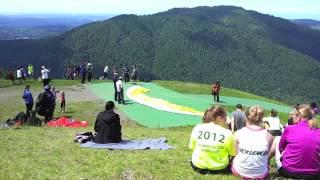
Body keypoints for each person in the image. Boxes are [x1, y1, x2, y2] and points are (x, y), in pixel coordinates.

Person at [189, 106, 236, 174]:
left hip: (197, 166)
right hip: (219, 169)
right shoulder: (228, 133)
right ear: (219, 118)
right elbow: (232, 153)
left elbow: (192, 147)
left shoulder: (198, 127)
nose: (226, 120)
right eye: (225, 118)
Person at [278, 104, 320, 179]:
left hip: (289, 171)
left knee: (276, 139)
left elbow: (281, 148)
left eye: (293, 114)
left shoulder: (289, 128)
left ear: (299, 116)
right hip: (313, 174)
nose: (291, 116)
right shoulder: (318, 131)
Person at [232, 106, 274, 179]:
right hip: (261, 174)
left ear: (246, 118)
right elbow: (266, 155)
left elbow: (237, 153)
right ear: (262, 119)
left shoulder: (238, 133)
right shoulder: (269, 136)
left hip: (240, 172)